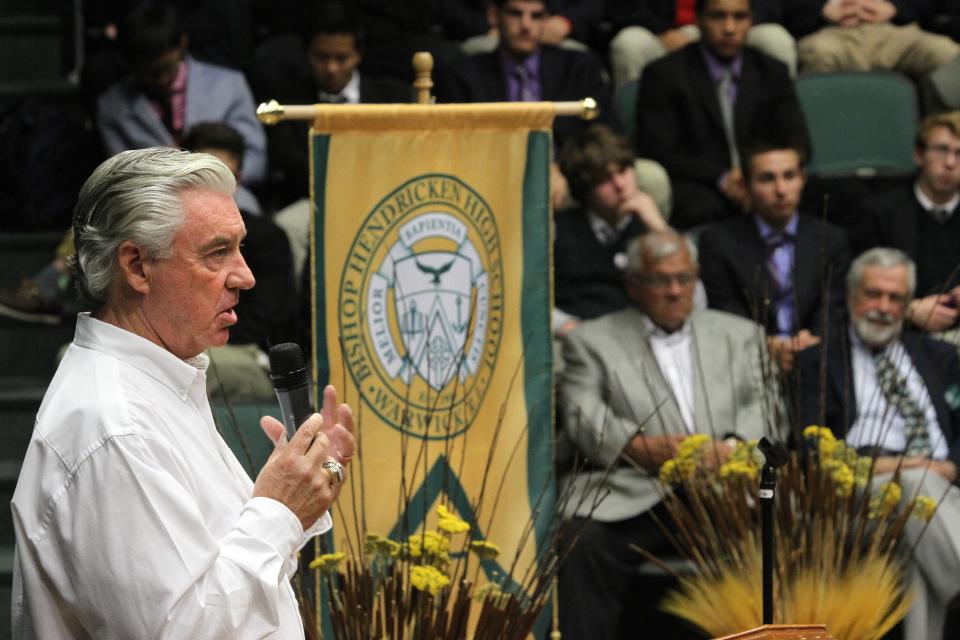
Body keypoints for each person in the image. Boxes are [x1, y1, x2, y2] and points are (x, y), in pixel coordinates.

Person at [11, 147, 356, 638]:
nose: (246, 275)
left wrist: (303, 496)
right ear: (136, 266)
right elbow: (185, 629)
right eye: (217, 252)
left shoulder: (159, 380)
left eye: (240, 248)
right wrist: (278, 511)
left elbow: (225, 577)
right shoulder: (114, 426)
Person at [557, 229, 771, 640]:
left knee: (784, 527)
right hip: (636, 493)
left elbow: (767, 409)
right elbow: (581, 414)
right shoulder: (590, 341)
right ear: (633, 285)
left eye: (684, 279)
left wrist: (730, 450)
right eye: (661, 280)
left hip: (724, 488)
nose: (675, 291)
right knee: (580, 543)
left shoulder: (740, 335)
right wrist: (635, 447)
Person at [797, 248, 960, 640]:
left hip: (945, 493)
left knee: (913, 540)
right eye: (874, 294)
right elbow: (810, 451)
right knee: (909, 490)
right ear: (852, 296)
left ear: (908, 305)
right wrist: (907, 469)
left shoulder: (940, 356)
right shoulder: (818, 362)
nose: (883, 307)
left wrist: (950, 467)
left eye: (896, 298)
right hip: (860, 496)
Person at [635, 0, 810, 229]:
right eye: (718, 17)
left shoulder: (771, 71)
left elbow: (798, 141)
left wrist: (756, 178)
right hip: (701, 184)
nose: (729, 28)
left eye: (739, 17)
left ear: (751, 21)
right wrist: (722, 177)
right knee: (698, 207)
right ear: (698, 20)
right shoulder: (664, 74)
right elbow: (658, 149)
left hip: (764, 178)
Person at [436, 0, 618, 209]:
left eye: (536, 16)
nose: (525, 25)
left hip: (569, 178)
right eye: (516, 14)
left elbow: (605, 133)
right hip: (491, 179)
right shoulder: (464, 75)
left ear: (546, 20)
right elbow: (453, 145)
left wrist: (565, 168)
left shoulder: (579, 67)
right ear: (494, 16)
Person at [699, 140, 849, 371]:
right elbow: (725, 311)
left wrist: (808, 344)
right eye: (767, 179)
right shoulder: (719, 242)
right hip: (746, 360)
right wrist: (766, 344)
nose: (780, 190)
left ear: (803, 179)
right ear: (746, 185)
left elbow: (833, 310)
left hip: (817, 358)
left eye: (789, 176)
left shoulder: (831, 239)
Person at [249, 2, 414, 206]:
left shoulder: (395, 96)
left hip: (384, 196)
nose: (331, 68)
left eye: (342, 58)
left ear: (358, 55)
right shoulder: (287, 102)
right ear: (307, 54)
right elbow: (291, 163)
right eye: (322, 57)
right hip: (313, 201)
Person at [96, 4, 267, 187]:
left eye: (165, 69)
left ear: (182, 43)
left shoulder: (229, 85)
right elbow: (119, 177)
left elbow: (255, 161)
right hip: (153, 205)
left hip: (226, 192)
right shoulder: (112, 105)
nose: (160, 81)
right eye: (148, 73)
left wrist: (210, 175)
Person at [554, 124, 669, 337]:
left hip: (641, 337)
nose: (619, 185)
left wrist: (658, 227)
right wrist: (567, 327)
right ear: (584, 189)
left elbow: (692, 294)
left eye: (624, 171)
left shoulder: (650, 228)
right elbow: (533, 298)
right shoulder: (558, 230)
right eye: (604, 179)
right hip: (575, 337)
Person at [851, 111, 960, 333]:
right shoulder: (879, 212)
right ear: (918, 155)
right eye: (941, 150)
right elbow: (853, 288)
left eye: (959, 153)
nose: (950, 162)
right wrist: (907, 310)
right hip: (899, 333)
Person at [608, 0, 797, 88]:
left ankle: (784, 136)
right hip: (665, 31)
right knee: (630, 43)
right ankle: (630, 141)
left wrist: (740, 25)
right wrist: (661, 31)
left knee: (775, 39)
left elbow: (770, 5)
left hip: (733, 24)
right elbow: (626, 7)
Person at [758, 0, 960, 80]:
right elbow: (769, 7)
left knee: (946, 55)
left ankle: (942, 148)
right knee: (821, 54)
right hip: (830, 32)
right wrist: (820, 9)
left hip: (895, 29)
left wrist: (896, 7)